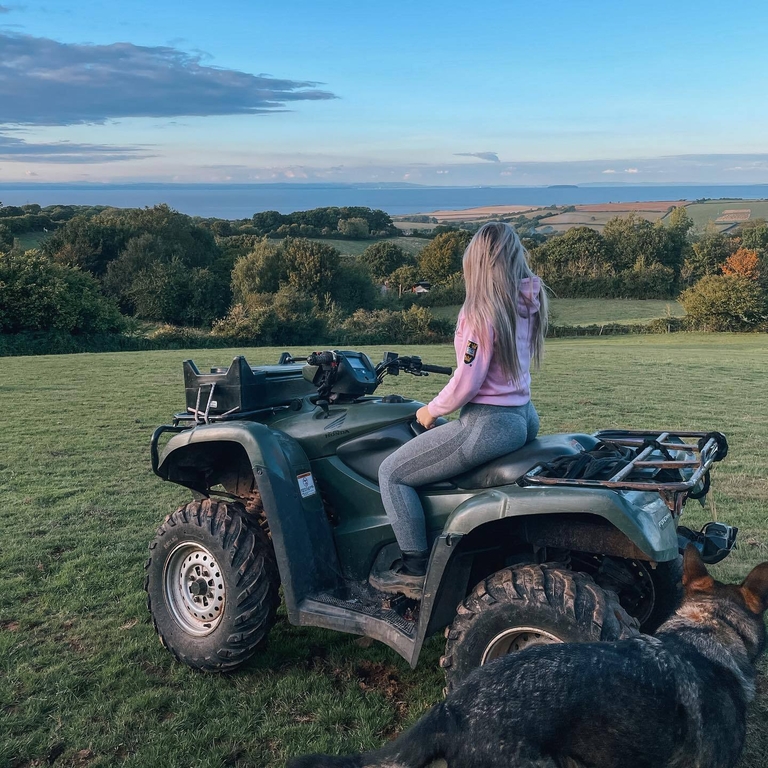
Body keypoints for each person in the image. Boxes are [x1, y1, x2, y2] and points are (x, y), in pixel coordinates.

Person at [370, 222, 548, 599]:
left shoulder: (481, 312)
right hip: (523, 416)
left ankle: (415, 569)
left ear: (477, 264)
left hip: (489, 422)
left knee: (392, 473)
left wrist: (430, 411)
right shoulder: (525, 301)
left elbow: (467, 381)